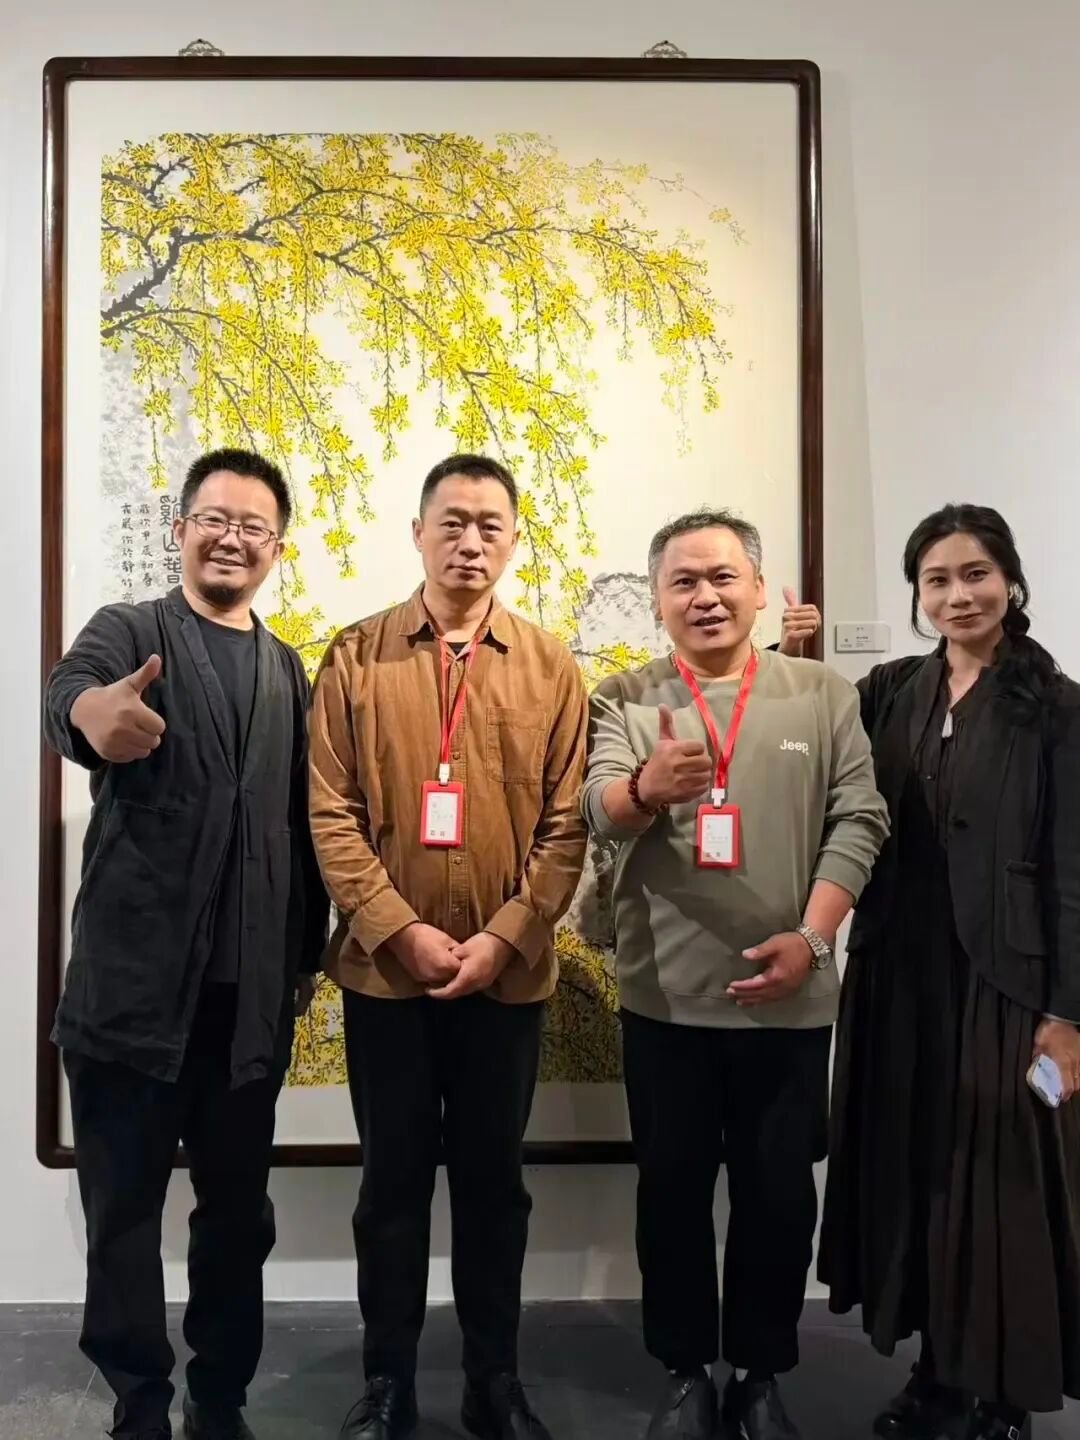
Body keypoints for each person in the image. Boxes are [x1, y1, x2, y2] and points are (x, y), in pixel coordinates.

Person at [581, 507, 889, 1440]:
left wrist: (814, 937)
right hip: (664, 1001)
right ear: (658, 600)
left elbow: (860, 817)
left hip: (790, 1002)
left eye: (723, 577)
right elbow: (596, 806)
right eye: (683, 581)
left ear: (759, 589)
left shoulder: (820, 694)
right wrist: (644, 790)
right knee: (671, 1197)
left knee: (777, 1199)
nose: (705, 596)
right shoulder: (624, 696)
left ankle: (760, 1372)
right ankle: (685, 1372)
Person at [44, 448, 328, 1440]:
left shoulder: (288, 670)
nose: (232, 538)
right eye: (214, 518)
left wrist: (303, 963)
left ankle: (220, 1395)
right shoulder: (131, 630)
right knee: (123, 1212)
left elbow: (302, 832)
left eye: (254, 526)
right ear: (180, 530)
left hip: (245, 1008)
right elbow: (70, 695)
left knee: (237, 1217)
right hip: (131, 997)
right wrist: (93, 716)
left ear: (276, 548)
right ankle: (138, 1400)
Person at [307, 453, 589, 1440]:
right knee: (390, 1186)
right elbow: (331, 814)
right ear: (418, 534)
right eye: (452, 522)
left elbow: (568, 825)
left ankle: (492, 1381)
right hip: (387, 979)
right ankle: (387, 1383)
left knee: (493, 1188)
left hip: (506, 982)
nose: (470, 542)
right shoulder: (356, 657)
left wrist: (507, 936)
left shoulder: (551, 666)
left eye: (489, 526)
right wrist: (401, 930)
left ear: (513, 541)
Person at [819, 504, 1080, 1440]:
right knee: (915, 1170)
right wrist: (789, 645)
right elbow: (806, 739)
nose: (959, 595)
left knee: (1000, 1187)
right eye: (938, 580)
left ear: (1009, 579)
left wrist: (1067, 1015)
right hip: (899, 975)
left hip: (1005, 984)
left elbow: (1075, 871)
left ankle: (1002, 1394)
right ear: (918, 595)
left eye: (976, 574)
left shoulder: (1058, 707)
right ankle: (936, 1374)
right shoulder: (891, 689)